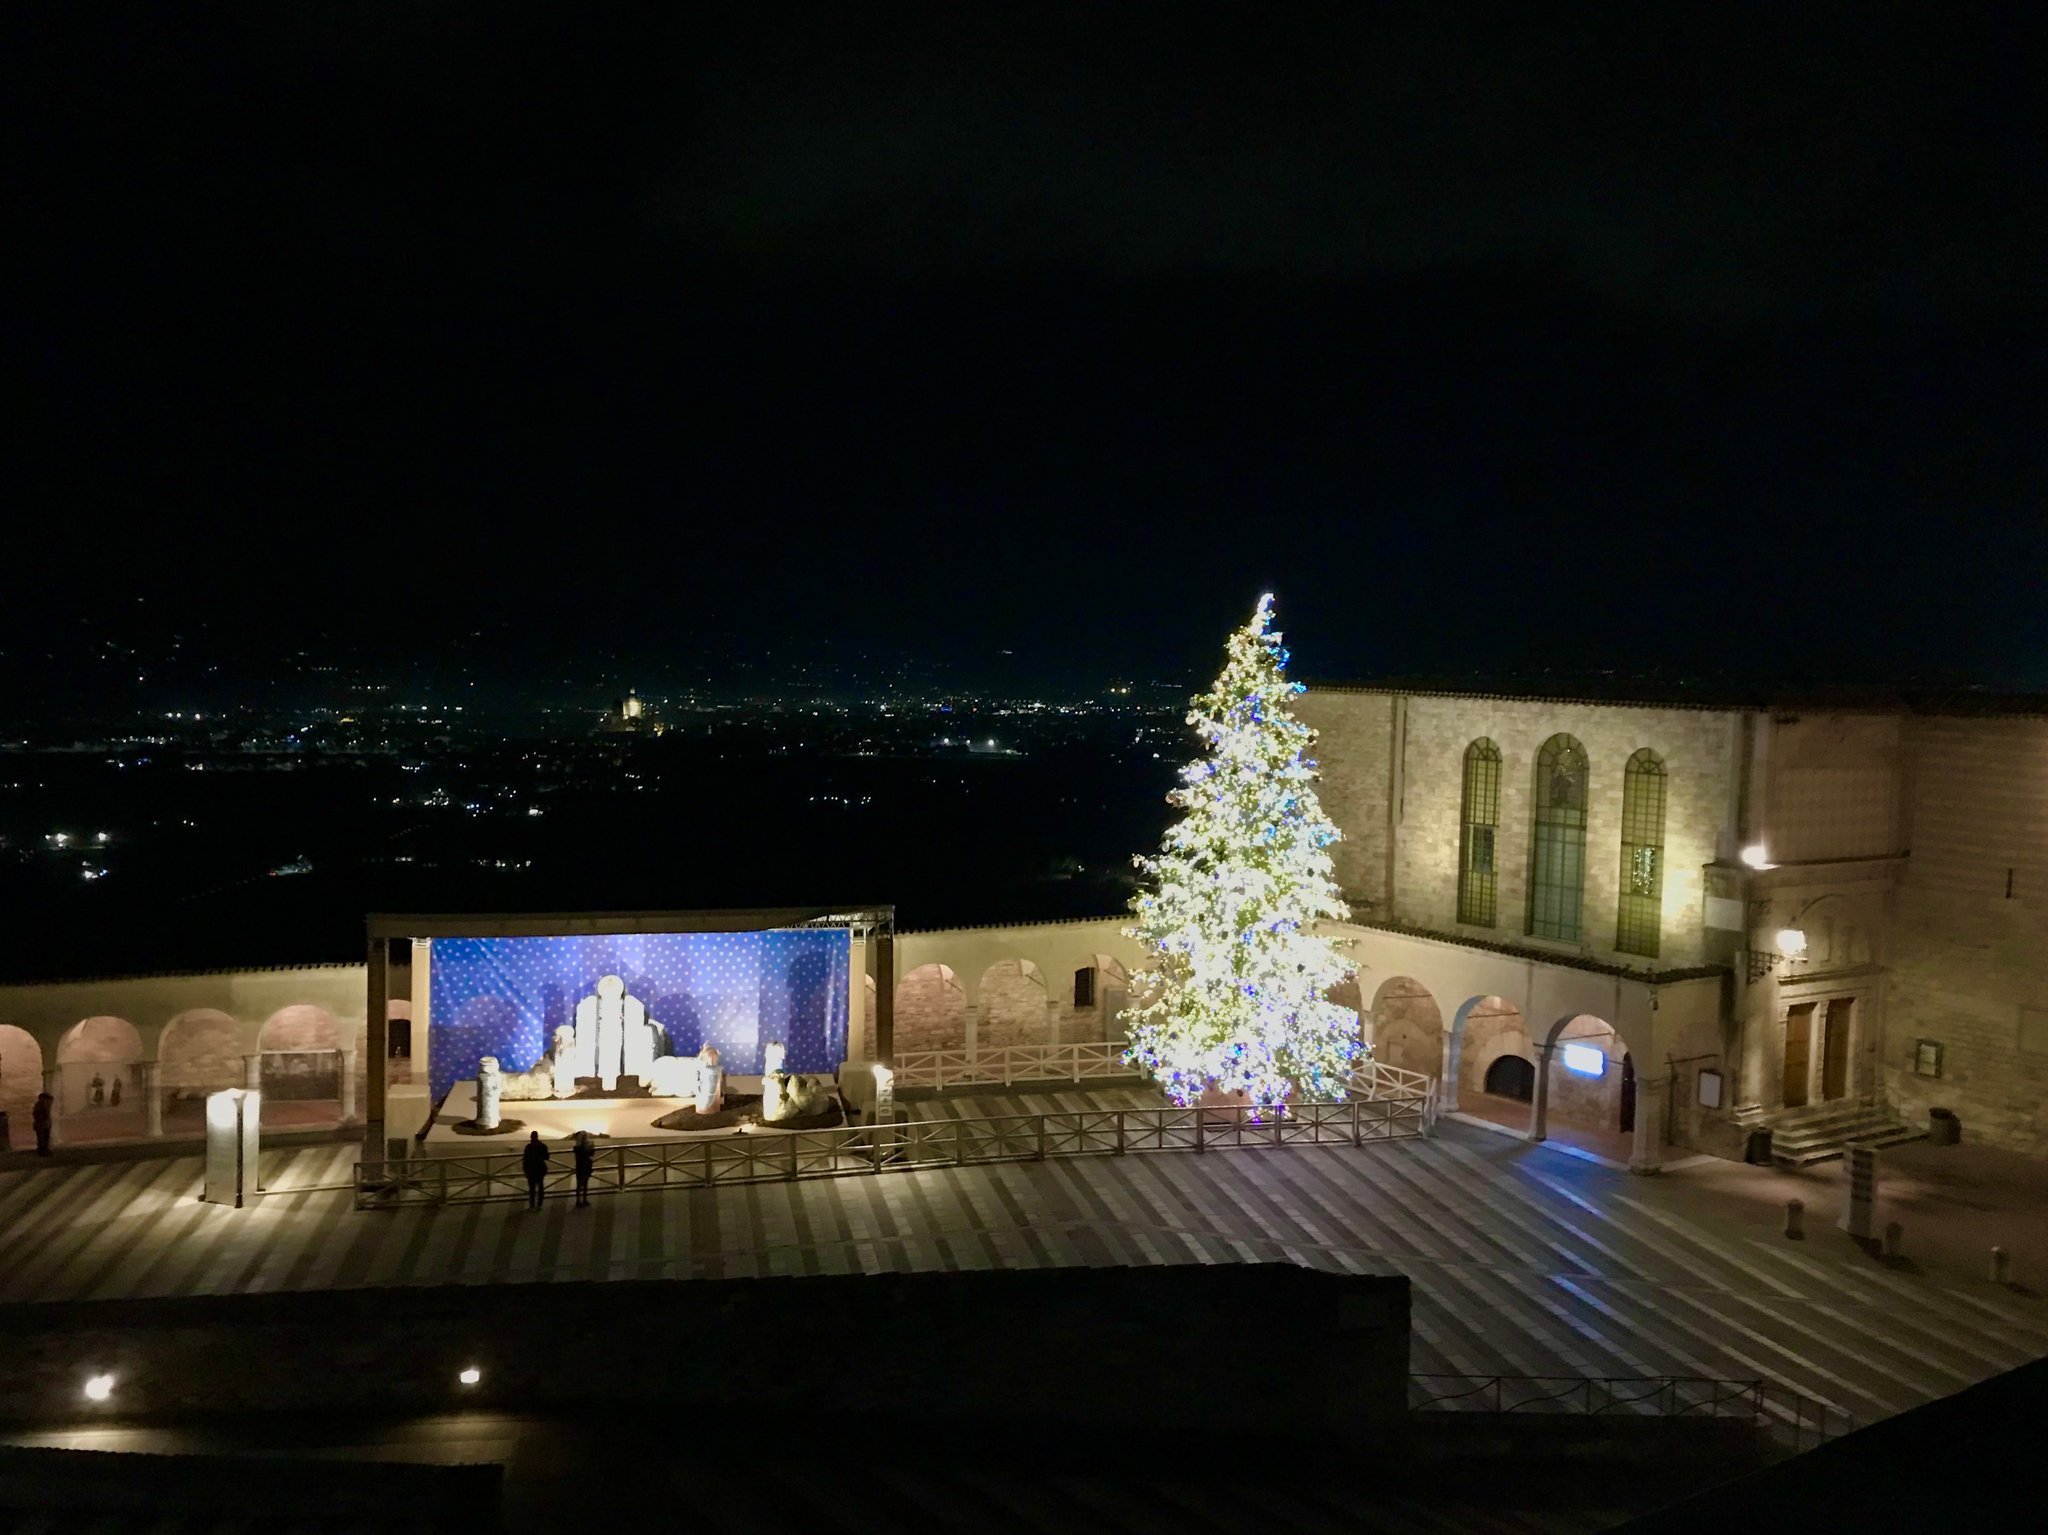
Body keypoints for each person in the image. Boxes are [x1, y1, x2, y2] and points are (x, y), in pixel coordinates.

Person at [521, 1130, 551, 1210]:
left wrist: (525, 1170)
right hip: (540, 1169)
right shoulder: (542, 1146)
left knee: (532, 1189)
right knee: (540, 1187)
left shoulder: (528, 1147)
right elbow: (547, 1157)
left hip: (531, 1170)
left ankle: (532, 1205)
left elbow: (525, 1159)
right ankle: (539, 1204)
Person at [572, 1130, 596, 1208]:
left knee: (583, 1183)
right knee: (581, 1183)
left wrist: (591, 1147)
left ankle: (581, 1200)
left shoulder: (578, 1146)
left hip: (583, 1165)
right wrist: (590, 1147)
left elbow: (591, 1153)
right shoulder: (578, 1146)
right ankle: (580, 1200)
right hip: (583, 1165)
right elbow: (588, 1154)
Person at [32, 1092, 54, 1157]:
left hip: (43, 1124)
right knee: (42, 1138)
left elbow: (36, 1114)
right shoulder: (41, 1104)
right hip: (42, 1124)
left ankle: (43, 1150)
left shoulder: (41, 1104)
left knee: (44, 1138)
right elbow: (37, 1114)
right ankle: (42, 1150)